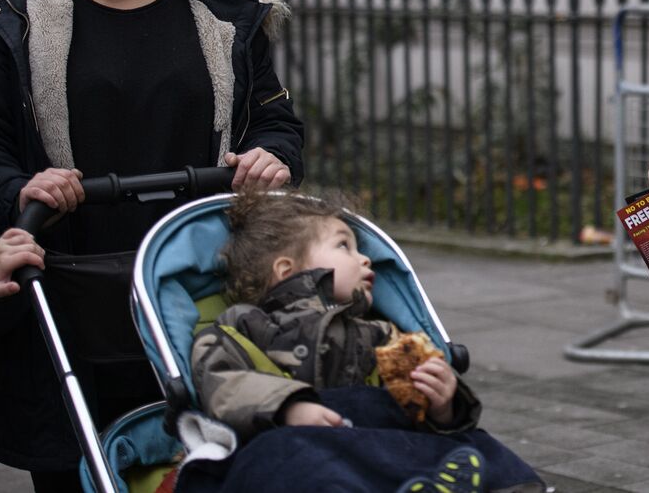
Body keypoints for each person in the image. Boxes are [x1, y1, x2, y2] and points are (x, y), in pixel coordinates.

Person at [0, 0, 304, 491]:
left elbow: (274, 120)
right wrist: (22, 187)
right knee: (81, 466)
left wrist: (271, 156)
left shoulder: (224, 8)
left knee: (202, 468)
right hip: (70, 290)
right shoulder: (9, 13)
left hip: (197, 291)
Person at [188, 193, 486, 493]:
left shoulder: (383, 334)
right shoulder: (242, 328)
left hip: (378, 450)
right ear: (286, 270)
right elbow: (223, 385)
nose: (365, 259)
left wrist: (441, 407)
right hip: (298, 449)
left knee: (475, 444)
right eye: (344, 245)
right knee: (276, 453)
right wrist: (288, 407)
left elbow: (410, 419)